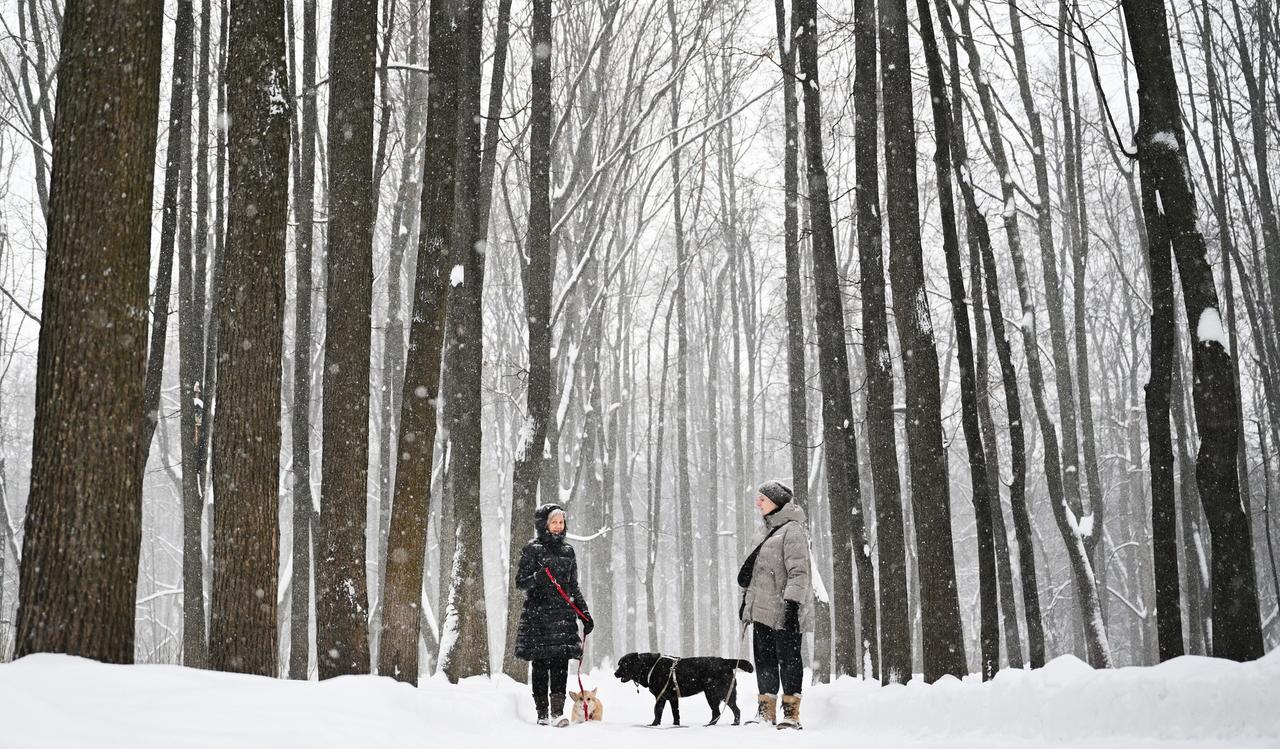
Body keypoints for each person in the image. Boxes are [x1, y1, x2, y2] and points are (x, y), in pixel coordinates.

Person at [737, 480, 812, 730]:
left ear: (776, 503)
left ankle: (791, 714)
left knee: (789, 661)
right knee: (764, 661)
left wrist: (791, 605)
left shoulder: (792, 530)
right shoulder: (762, 531)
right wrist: (746, 604)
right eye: (758, 498)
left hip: (784, 610)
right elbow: (756, 574)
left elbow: (799, 573)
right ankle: (765, 714)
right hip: (761, 611)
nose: (757, 503)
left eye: (762, 499)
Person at [515, 503, 594, 726]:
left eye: (561, 522)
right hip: (538, 617)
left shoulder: (568, 551)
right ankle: (542, 713)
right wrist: (537, 578)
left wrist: (584, 613)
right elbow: (520, 582)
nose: (558, 526)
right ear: (544, 524)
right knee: (540, 666)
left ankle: (558, 713)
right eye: (554, 522)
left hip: (562, 616)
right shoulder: (532, 549)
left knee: (560, 665)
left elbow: (573, 586)